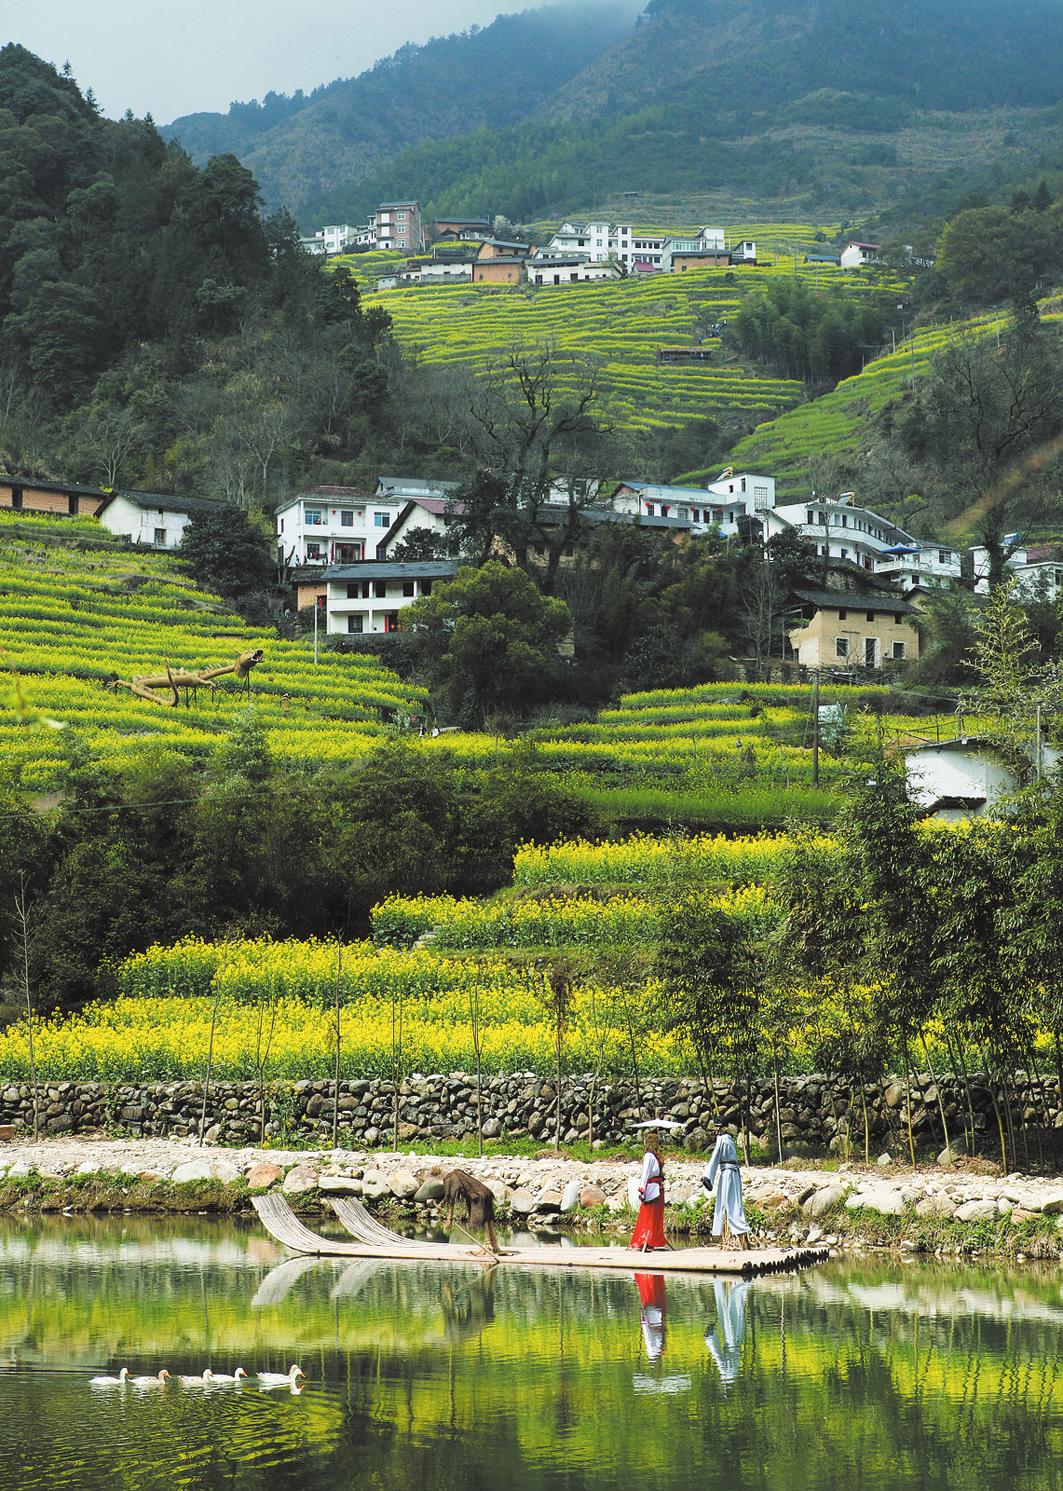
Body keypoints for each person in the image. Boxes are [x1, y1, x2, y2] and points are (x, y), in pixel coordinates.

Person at [702, 1131, 749, 1248]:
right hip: (731, 1172)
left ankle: (734, 1239)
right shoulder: (728, 1139)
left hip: (728, 1173)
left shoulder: (722, 1139)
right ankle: (737, 1240)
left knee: (728, 1203)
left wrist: (708, 1176)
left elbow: (714, 1157)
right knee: (733, 1202)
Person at [441, 1168, 502, 1255]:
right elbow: (448, 1197)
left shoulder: (449, 1178)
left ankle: (488, 1245)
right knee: (488, 1219)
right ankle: (494, 1246)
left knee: (484, 1219)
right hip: (486, 1192)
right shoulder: (459, 1175)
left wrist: (449, 1218)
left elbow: (451, 1198)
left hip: (478, 1196)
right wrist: (441, 1204)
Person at [630, 1130, 669, 1251]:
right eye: (655, 1141)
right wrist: (642, 1189)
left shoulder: (655, 1156)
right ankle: (644, 1241)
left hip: (657, 1186)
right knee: (649, 1215)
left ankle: (653, 1240)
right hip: (651, 1188)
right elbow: (645, 1173)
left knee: (657, 1215)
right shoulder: (649, 1156)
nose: (657, 1143)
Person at [635, 1273, 667, 1361]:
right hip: (654, 1317)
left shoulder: (653, 1344)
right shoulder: (654, 1345)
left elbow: (656, 1333)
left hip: (653, 1316)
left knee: (653, 1292)